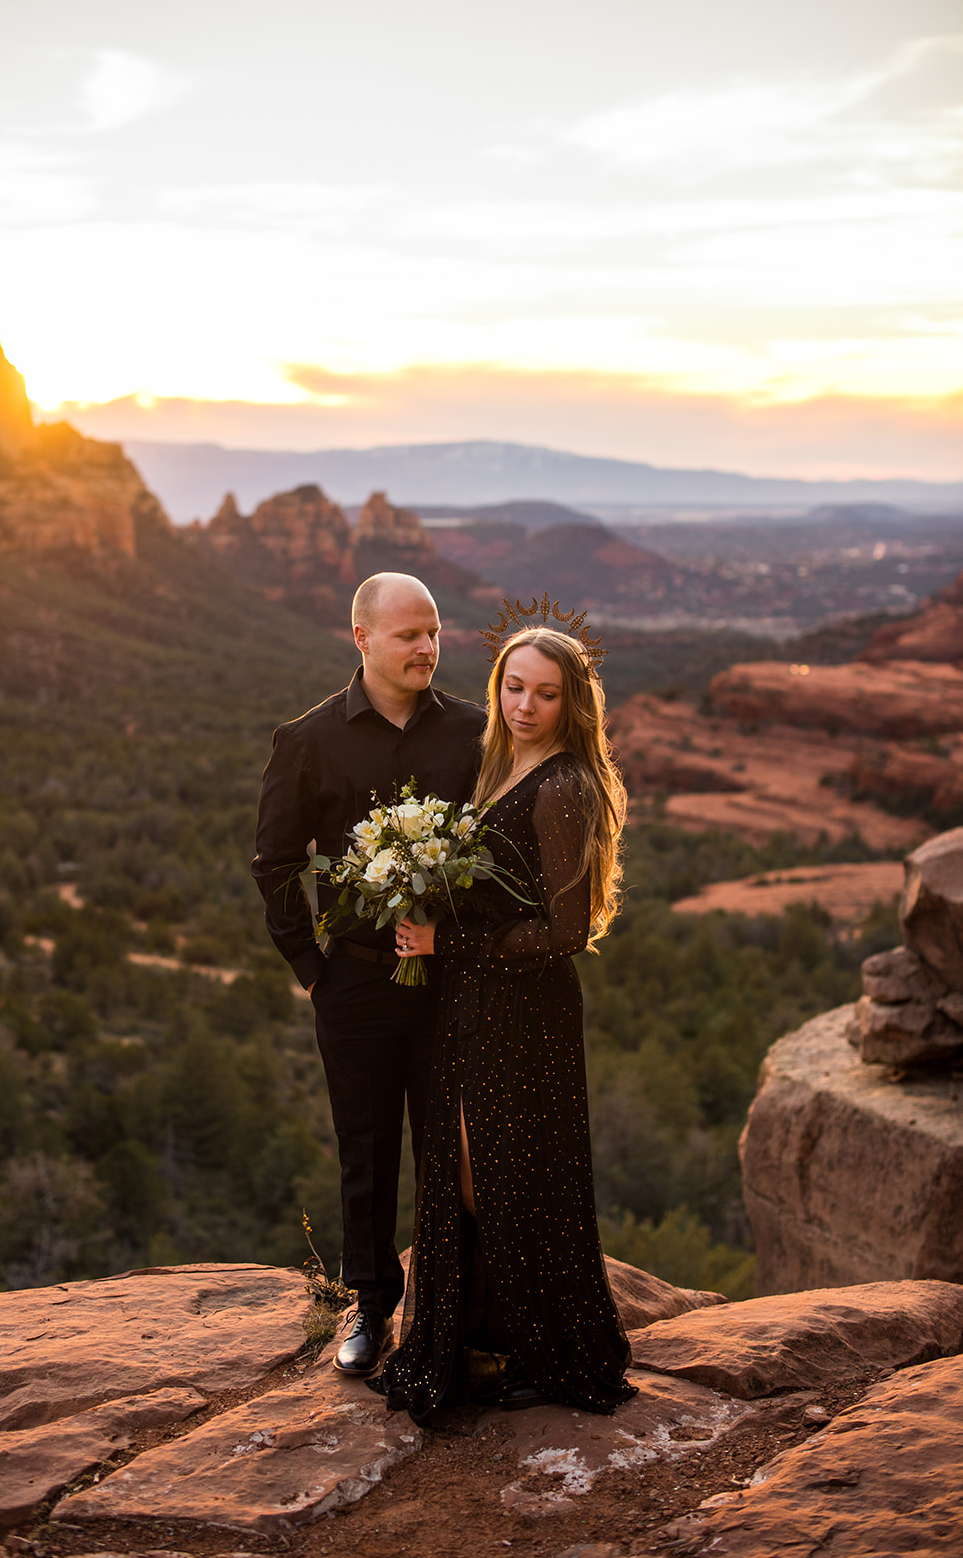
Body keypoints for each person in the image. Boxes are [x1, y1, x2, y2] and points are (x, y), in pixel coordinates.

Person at [371, 624, 638, 1420]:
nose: (525, 704)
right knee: (468, 1166)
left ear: (571, 702)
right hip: (475, 999)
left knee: (503, 1172)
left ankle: (538, 1346)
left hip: (526, 1008)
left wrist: (439, 938)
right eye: (514, 686)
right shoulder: (499, 763)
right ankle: (489, 1333)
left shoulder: (562, 786)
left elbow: (564, 932)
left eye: (546, 693)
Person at [251, 572, 485, 1376]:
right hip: (353, 982)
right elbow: (277, 861)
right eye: (407, 635)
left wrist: (458, 935)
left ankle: (453, 1306)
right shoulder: (308, 739)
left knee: (454, 1146)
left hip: (452, 981)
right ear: (362, 640)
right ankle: (373, 1303)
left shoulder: (474, 733)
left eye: (434, 632)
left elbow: (499, 853)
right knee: (368, 1145)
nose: (426, 647)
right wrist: (311, 968)